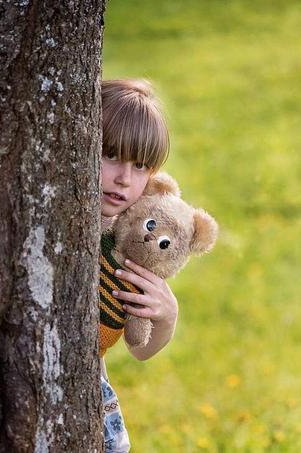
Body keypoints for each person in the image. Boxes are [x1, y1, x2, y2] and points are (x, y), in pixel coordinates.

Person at [98, 79, 177, 452]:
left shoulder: (132, 242)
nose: (123, 178)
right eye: (110, 155)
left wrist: (167, 316)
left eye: (140, 165)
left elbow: (141, 350)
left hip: (91, 396)